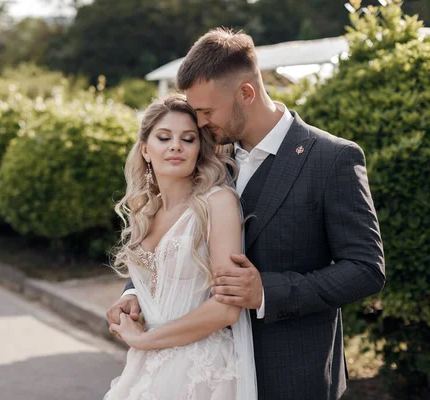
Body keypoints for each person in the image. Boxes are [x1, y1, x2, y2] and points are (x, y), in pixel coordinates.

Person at [108, 28, 385, 400]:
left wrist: (267, 292)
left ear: (246, 94)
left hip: (291, 372)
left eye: (206, 111)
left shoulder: (331, 159)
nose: (200, 123)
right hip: (202, 373)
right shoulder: (211, 157)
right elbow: (175, 239)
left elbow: (366, 269)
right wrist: (137, 291)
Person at [103, 93, 258, 399]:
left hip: (199, 368)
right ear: (146, 150)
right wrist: (133, 296)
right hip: (147, 363)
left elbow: (227, 309)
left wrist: (146, 340)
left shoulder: (218, 203)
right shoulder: (144, 209)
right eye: (164, 137)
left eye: (188, 139)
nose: (176, 146)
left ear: (199, 150)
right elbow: (160, 278)